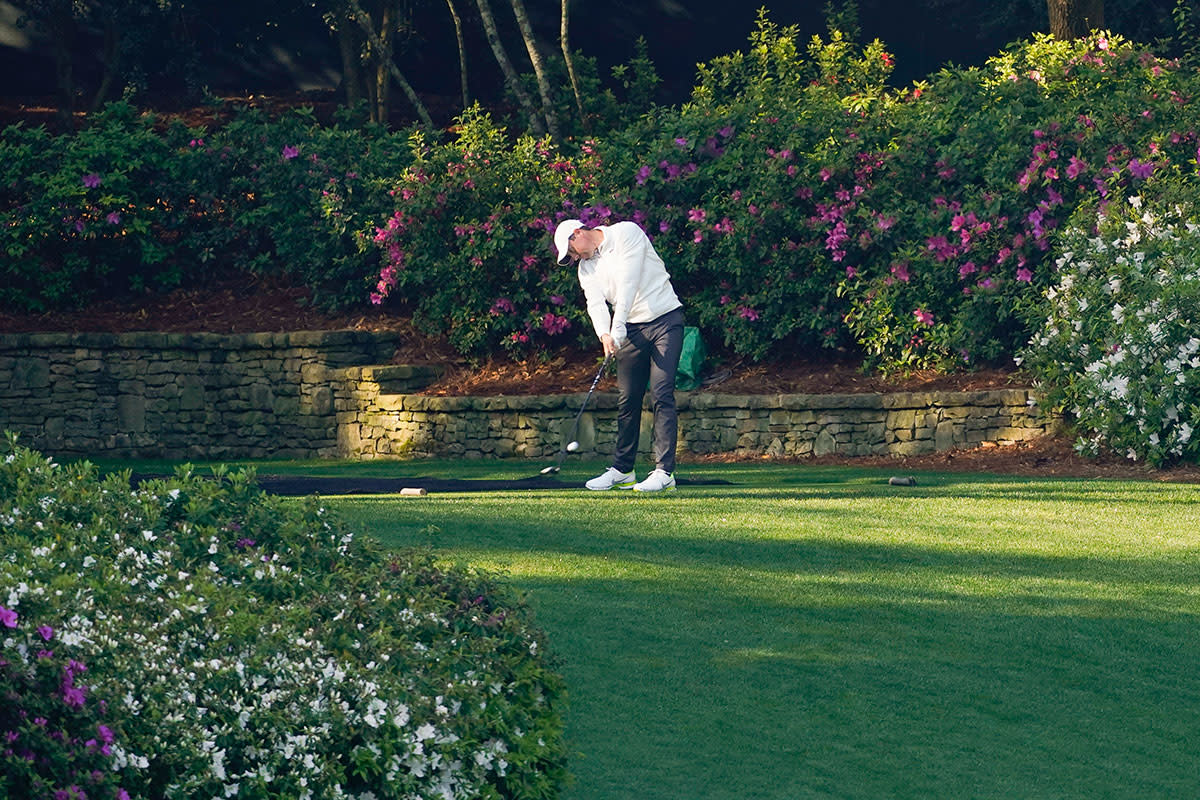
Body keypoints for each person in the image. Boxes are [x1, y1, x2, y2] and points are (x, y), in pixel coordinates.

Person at [553, 218, 685, 492]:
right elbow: (595, 303)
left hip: (665, 319)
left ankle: (664, 472)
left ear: (578, 233)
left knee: (661, 394)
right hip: (630, 330)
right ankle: (623, 470)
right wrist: (605, 334)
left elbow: (629, 282)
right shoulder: (586, 268)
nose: (575, 258)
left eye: (573, 251)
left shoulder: (626, 232)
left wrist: (618, 325)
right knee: (628, 400)